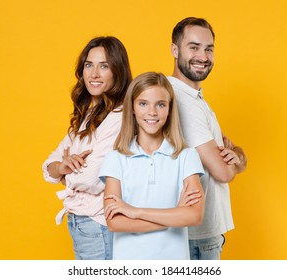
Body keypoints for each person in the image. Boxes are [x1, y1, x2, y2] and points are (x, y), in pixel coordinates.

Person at [42, 36, 132, 260]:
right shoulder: (89, 115)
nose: (94, 74)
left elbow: (93, 178)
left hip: (98, 225)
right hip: (82, 224)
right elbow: (48, 165)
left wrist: (65, 174)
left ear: (117, 72)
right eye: (89, 65)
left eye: (104, 66)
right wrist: (61, 166)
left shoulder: (120, 117)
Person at [99, 72, 205, 260]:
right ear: (132, 107)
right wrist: (173, 217)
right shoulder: (115, 158)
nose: (152, 112)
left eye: (160, 104)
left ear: (170, 109)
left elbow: (194, 216)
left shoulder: (187, 156)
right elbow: (115, 222)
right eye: (143, 103)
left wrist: (135, 212)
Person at [167, 17, 247, 260]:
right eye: (193, 47)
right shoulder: (183, 101)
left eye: (208, 48)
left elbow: (231, 158)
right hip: (197, 237)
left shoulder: (193, 97)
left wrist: (237, 157)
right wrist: (236, 162)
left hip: (201, 234)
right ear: (174, 49)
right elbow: (223, 172)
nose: (202, 56)